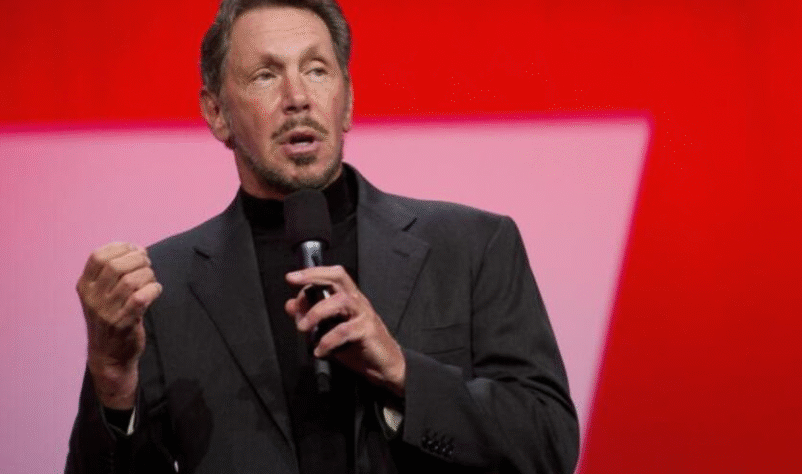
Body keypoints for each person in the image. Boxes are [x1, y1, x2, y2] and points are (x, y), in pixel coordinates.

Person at [64, 0, 579, 472]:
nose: (298, 98)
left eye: (316, 70)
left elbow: (549, 444)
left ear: (348, 100)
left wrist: (401, 371)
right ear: (217, 113)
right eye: (265, 76)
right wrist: (111, 377)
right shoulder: (161, 289)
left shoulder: (471, 248)